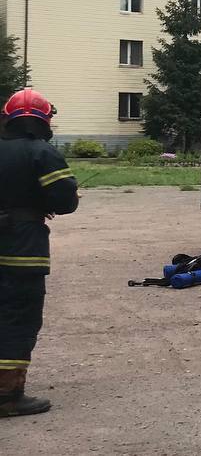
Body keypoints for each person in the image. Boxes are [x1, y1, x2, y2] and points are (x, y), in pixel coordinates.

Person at [0, 89, 78, 417]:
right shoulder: (42, 153)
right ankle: (7, 396)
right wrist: (38, 204)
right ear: (44, 121)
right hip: (23, 250)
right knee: (18, 318)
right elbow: (66, 201)